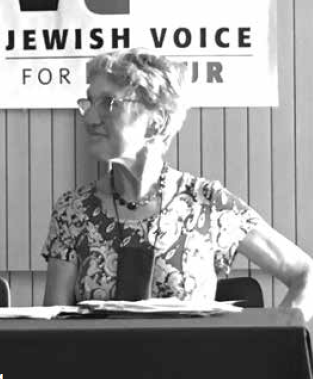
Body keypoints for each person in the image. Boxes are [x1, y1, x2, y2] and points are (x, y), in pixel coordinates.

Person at [42, 49, 313, 319]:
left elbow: (306, 274)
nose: (89, 118)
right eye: (89, 102)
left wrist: (276, 336)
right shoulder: (73, 211)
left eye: (108, 102)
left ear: (156, 122)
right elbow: (53, 326)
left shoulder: (208, 204)